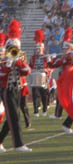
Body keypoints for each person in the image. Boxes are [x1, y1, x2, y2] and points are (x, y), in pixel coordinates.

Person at [0, 19, 32, 152]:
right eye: (11, 49)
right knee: (13, 117)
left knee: (13, 117)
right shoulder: (3, 61)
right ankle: (18, 144)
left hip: (17, 89)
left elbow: (27, 71)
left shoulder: (18, 59)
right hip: (7, 90)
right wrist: (8, 65)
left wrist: (18, 62)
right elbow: (1, 75)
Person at [29, 30, 51, 117]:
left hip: (43, 77)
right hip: (35, 77)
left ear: (42, 49)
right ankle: (35, 111)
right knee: (35, 94)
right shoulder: (32, 58)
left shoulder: (46, 57)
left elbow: (51, 66)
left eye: (38, 49)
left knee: (44, 95)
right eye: (36, 49)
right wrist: (31, 70)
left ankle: (44, 110)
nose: (37, 50)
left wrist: (46, 70)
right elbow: (30, 66)